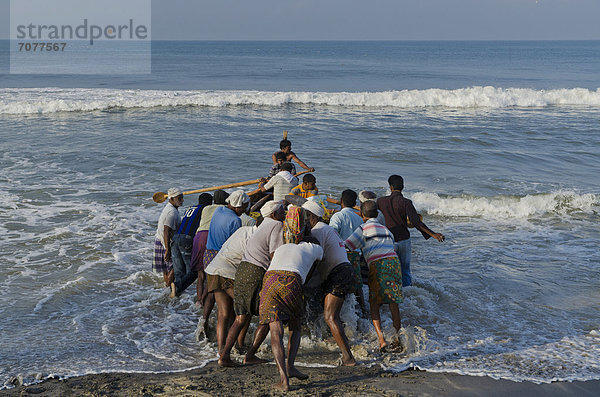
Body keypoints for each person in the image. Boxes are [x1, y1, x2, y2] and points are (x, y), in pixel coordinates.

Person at [219, 201, 286, 367]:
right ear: (274, 214)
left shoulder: (263, 224)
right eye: (282, 210)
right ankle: (250, 355)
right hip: (255, 272)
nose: (284, 212)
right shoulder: (277, 225)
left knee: (241, 317)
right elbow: (274, 254)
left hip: (243, 270)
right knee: (270, 314)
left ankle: (224, 356)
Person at [259, 234, 324, 391]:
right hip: (291, 280)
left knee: (276, 331)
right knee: (295, 324)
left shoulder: (282, 247)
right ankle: (291, 367)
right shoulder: (315, 248)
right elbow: (317, 265)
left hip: (270, 280)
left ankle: (283, 380)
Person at [302, 200, 356, 366]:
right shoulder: (327, 228)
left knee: (330, 317)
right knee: (334, 316)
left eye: (304, 216)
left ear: (311, 216)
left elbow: (315, 258)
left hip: (338, 273)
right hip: (345, 270)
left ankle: (348, 357)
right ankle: (343, 343)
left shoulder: (318, 231)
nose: (303, 220)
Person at [345, 200, 404, 352]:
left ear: (362, 215)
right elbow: (393, 246)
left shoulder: (363, 228)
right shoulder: (385, 229)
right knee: (393, 302)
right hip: (394, 263)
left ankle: (381, 339)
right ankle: (397, 338)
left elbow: (348, 246)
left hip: (377, 265)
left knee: (374, 303)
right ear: (377, 214)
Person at [377, 175, 445, 287]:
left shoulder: (380, 201)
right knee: (405, 271)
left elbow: (375, 219)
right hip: (404, 240)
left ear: (390, 187)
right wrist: (433, 234)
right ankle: (407, 296)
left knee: (389, 270)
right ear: (403, 186)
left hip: (388, 240)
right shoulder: (406, 202)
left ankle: (390, 295)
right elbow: (417, 222)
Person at [199, 190, 249, 338]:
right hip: (223, 258)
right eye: (244, 206)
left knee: (211, 292)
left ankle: (204, 321)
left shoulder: (219, 210)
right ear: (238, 205)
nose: (246, 210)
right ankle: (230, 333)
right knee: (229, 302)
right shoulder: (236, 221)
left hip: (208, 254)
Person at [204, 221, 260, 352]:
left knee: (223, 313)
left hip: (214, 269)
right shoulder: (257, 238)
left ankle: (221, 349)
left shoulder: (244, 229)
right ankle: (239, 344)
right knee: (246, 309)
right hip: (228, 272)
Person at [190, 190, 228, 321]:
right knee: (210, 274)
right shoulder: (223, 209)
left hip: (198, 236)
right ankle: (204, 299)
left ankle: (199, 301)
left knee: (200, 274)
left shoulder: (206, 208)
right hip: (210, 237)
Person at [328, 189, 367, 316]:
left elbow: (332, 235)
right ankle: (363, 310)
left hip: (341, 255)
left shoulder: (337, 216)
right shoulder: (359, 219)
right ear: (354, 202)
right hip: (355, 255)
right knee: (357, 284)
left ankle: (339, 312)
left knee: (338, 285)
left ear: (341, 202)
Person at [170, 193, 213, 298]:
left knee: (179, 271)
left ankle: (176, 295)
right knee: (193, 270)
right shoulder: (205, 210)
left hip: (176, 238)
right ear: (209, 203)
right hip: (187, 239)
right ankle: (178, 286)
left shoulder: (191, 208)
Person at [153, 188, 183, 288]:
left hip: (159, 239)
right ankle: (170, 289)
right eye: (179, 198)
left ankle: (168, 289)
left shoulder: (170, 208)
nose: (182, 200)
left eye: (182, 198)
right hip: (164, 242)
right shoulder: (172, 212)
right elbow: (166, 230)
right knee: (173, 267)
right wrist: (168, 250)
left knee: (166, 270)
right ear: (172, 199)